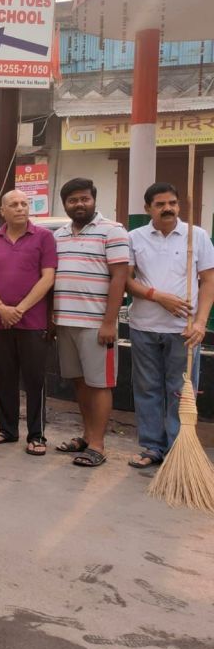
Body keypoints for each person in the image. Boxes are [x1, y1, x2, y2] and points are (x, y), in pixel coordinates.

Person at [124, 182, 214, 469]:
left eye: (172, 203)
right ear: (148, 208)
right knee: (147, 388)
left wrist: (200, 322)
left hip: (184, 330)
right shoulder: (134, 237)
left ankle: (178, 449)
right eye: (160, 204)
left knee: (181, 391)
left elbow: (209, 281)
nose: (168, 209)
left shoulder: (196, 236)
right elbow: (126, 281)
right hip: (144, 326)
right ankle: (152, 446)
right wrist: (157, 296)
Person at [52, 178, 130, 467]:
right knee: (80, 382)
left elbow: (119, 278)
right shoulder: (58, 235)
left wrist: (109, 322)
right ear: (65, 204)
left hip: (96, 324)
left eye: (84, 198)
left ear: (94, 200)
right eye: (72, 200)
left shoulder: (113, 230)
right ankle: (86, 436)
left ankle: (98, 445)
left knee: (99, 384)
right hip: (65, 322)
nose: (79, 204)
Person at [0, 189, 57, 455]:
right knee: (3, 377)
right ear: (3, 211)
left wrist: (19, 309)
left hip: (32, 321)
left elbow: (48, 278)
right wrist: (1, 308)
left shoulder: (43, 237)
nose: (20, 208)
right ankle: (7, 430)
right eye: (14, 204)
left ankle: (37, 435)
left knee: (35, 380)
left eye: (24, 203)